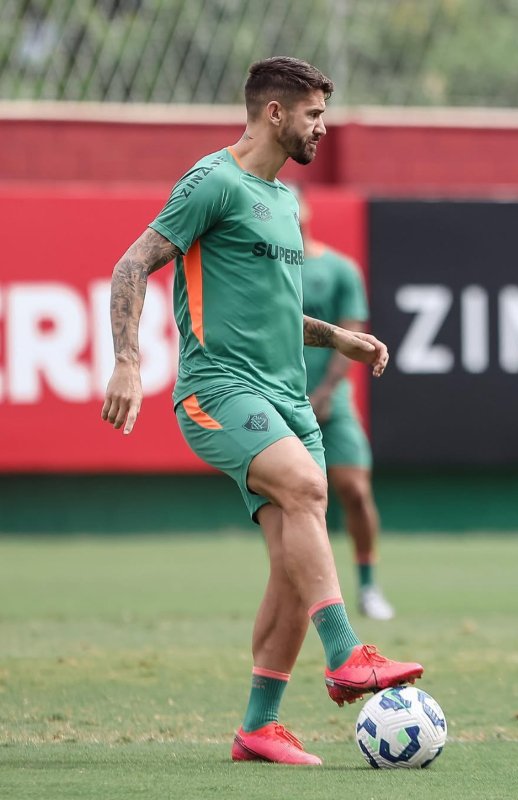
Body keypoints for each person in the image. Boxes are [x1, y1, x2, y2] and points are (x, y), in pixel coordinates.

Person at [101, 56, 424, 766]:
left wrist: (334, 333)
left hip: (285, 397)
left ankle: (259, 727)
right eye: (313, 115)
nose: (323, 128)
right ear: (275, 113)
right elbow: (131, 265)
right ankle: (347, 654)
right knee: (311, 489)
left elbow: (271, 310)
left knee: (291, 565)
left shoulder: (281, 199)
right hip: (217, 393)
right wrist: (127, 358)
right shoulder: (212, 181)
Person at [293, 187, 394, 621]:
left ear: (307, 208)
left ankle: (369, 586)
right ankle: (302, 594)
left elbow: (351, 337)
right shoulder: (263, 272)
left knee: (354, 489)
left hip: (332, 404)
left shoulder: (339, 269)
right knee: (291, 502)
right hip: (281, 401)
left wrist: (326, 392)